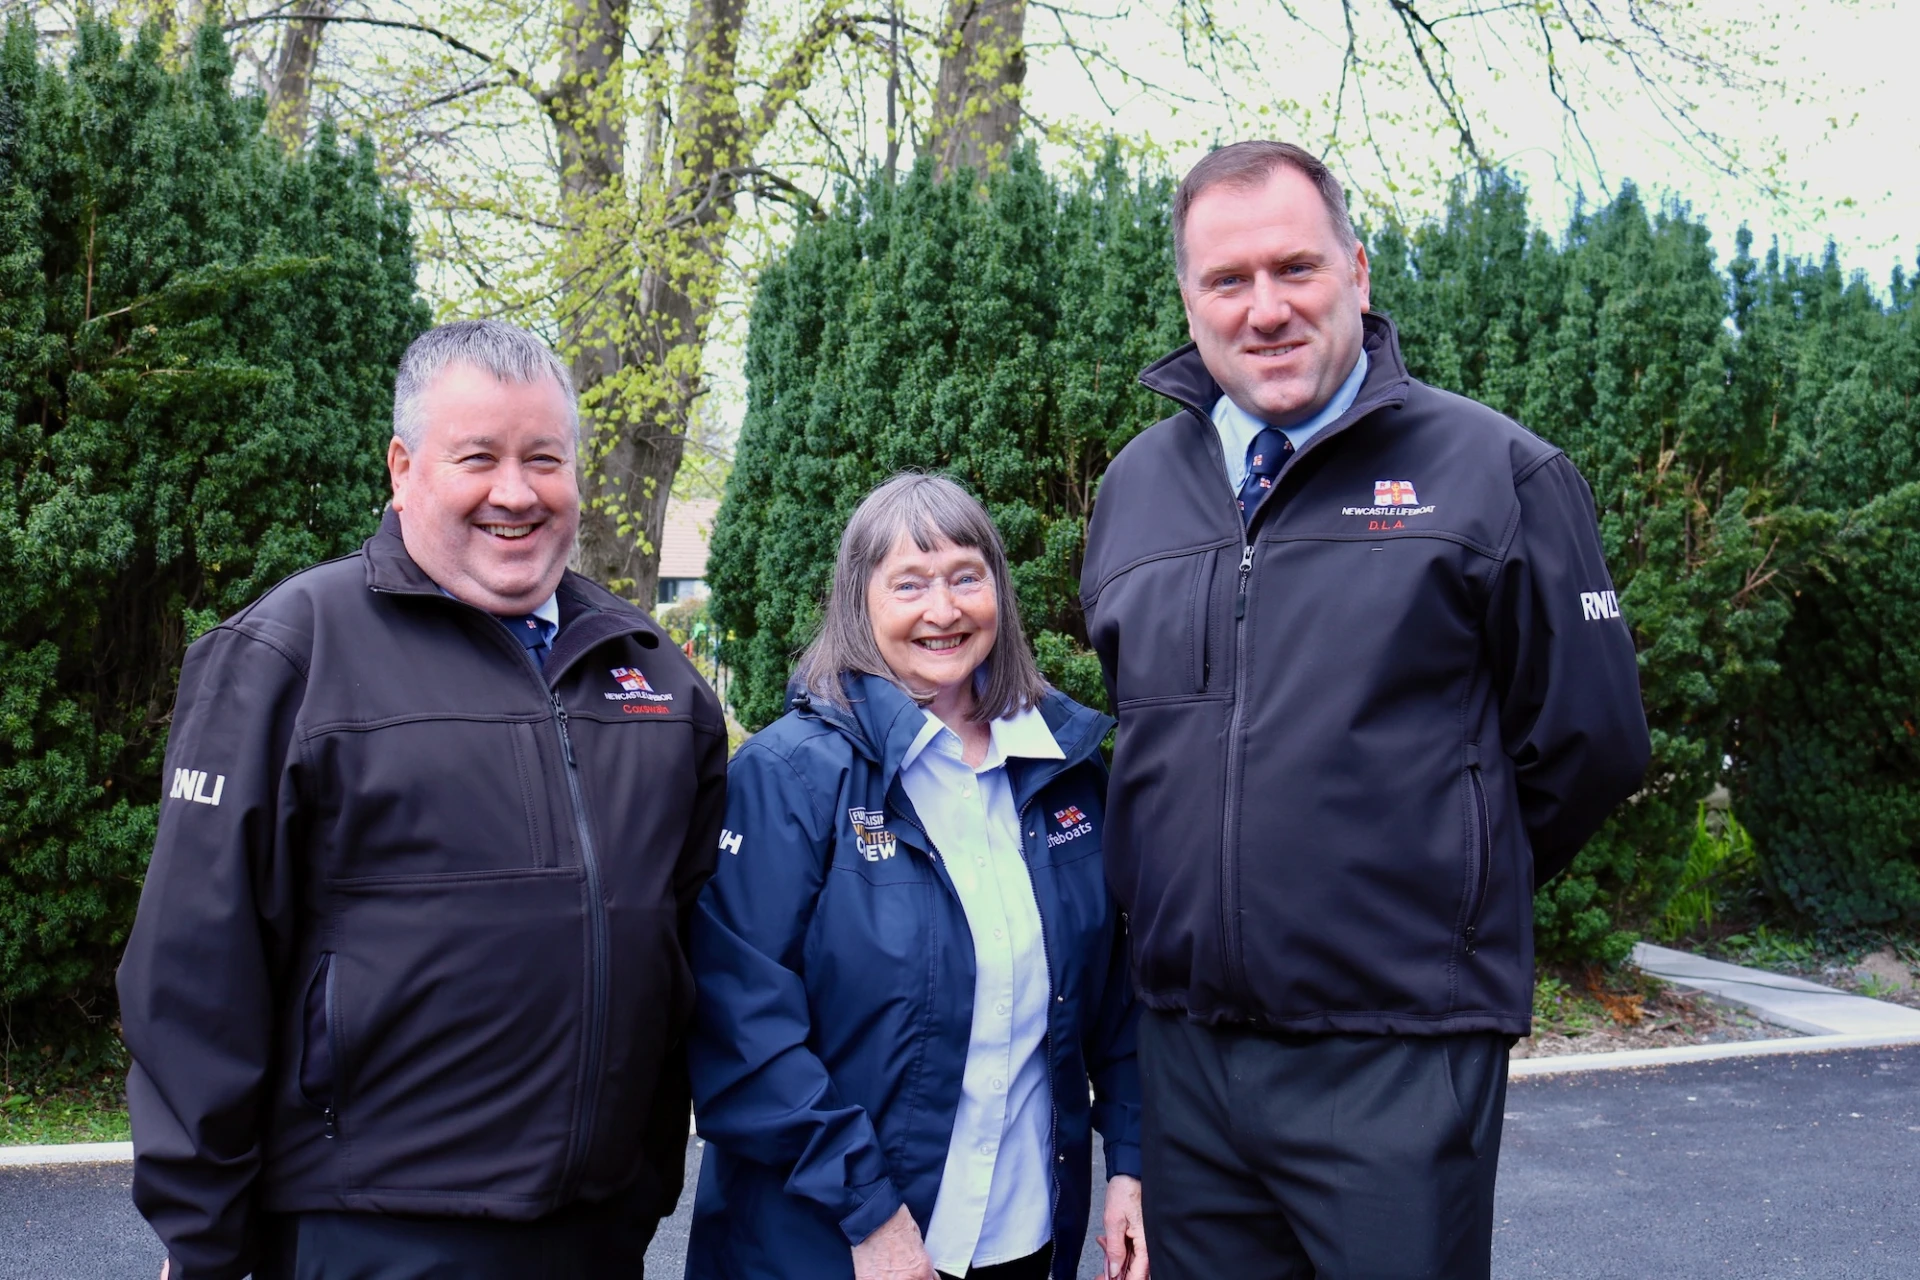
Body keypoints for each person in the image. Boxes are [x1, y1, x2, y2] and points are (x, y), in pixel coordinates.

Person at [1079, 141, 1651, 1278]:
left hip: (1396, 1055)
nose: (1266, 309)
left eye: (1296, 268)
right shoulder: (1137, 487)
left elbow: (1591, 744)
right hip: (1191, 1061)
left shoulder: (1497, 473)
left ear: (1358, 271)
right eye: (1226, 281)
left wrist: (1437, 884)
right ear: (1188, 301)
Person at [117, 319, 728, 1280]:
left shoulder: (653, 677)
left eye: (544, 459)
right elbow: (197, 968)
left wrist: (642, 1186)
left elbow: (690, 957)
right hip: (367, 1231)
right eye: (477, 458)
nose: (515, 493)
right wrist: (200, 1237)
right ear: (403, 469)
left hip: (594, 1234)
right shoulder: (291, 655)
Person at [685, 474, 1147, 1280]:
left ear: (998, 591)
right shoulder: (791, 776)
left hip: (1024, 1237)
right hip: (830, 1248)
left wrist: (1132, 1168)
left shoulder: (1062, 772)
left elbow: (1115, 1002)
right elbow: (741, 1031)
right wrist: (872, 1215)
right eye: (909, 584)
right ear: (858, 603)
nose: (944, 610)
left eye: (967, 576)